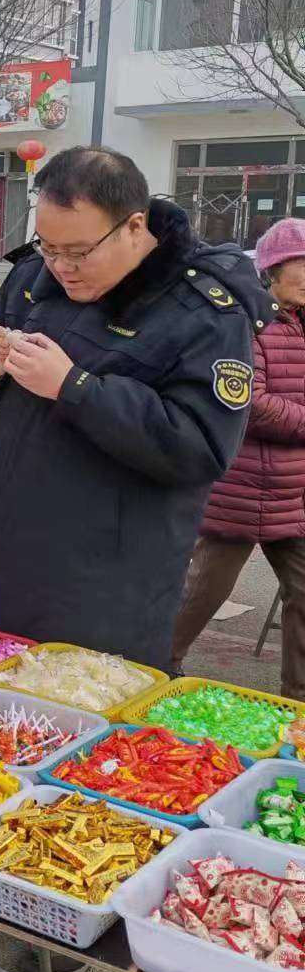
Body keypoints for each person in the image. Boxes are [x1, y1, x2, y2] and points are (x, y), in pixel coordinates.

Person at [0, 145, 270, 669]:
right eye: (49, 247)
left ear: (134, 226)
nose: (63, 266)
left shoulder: (203, 312)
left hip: (96, 589)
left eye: (79, 252)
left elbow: (200, 447)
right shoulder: (34, 278)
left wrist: (75, 386)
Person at [172, 217, 305, 697]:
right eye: (303, 264)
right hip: (243, 485)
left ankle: (298, 700)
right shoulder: (249, 319)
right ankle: (157, 663)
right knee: (204, 590)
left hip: (295, 491)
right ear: (272, 268)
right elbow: (248, 400)